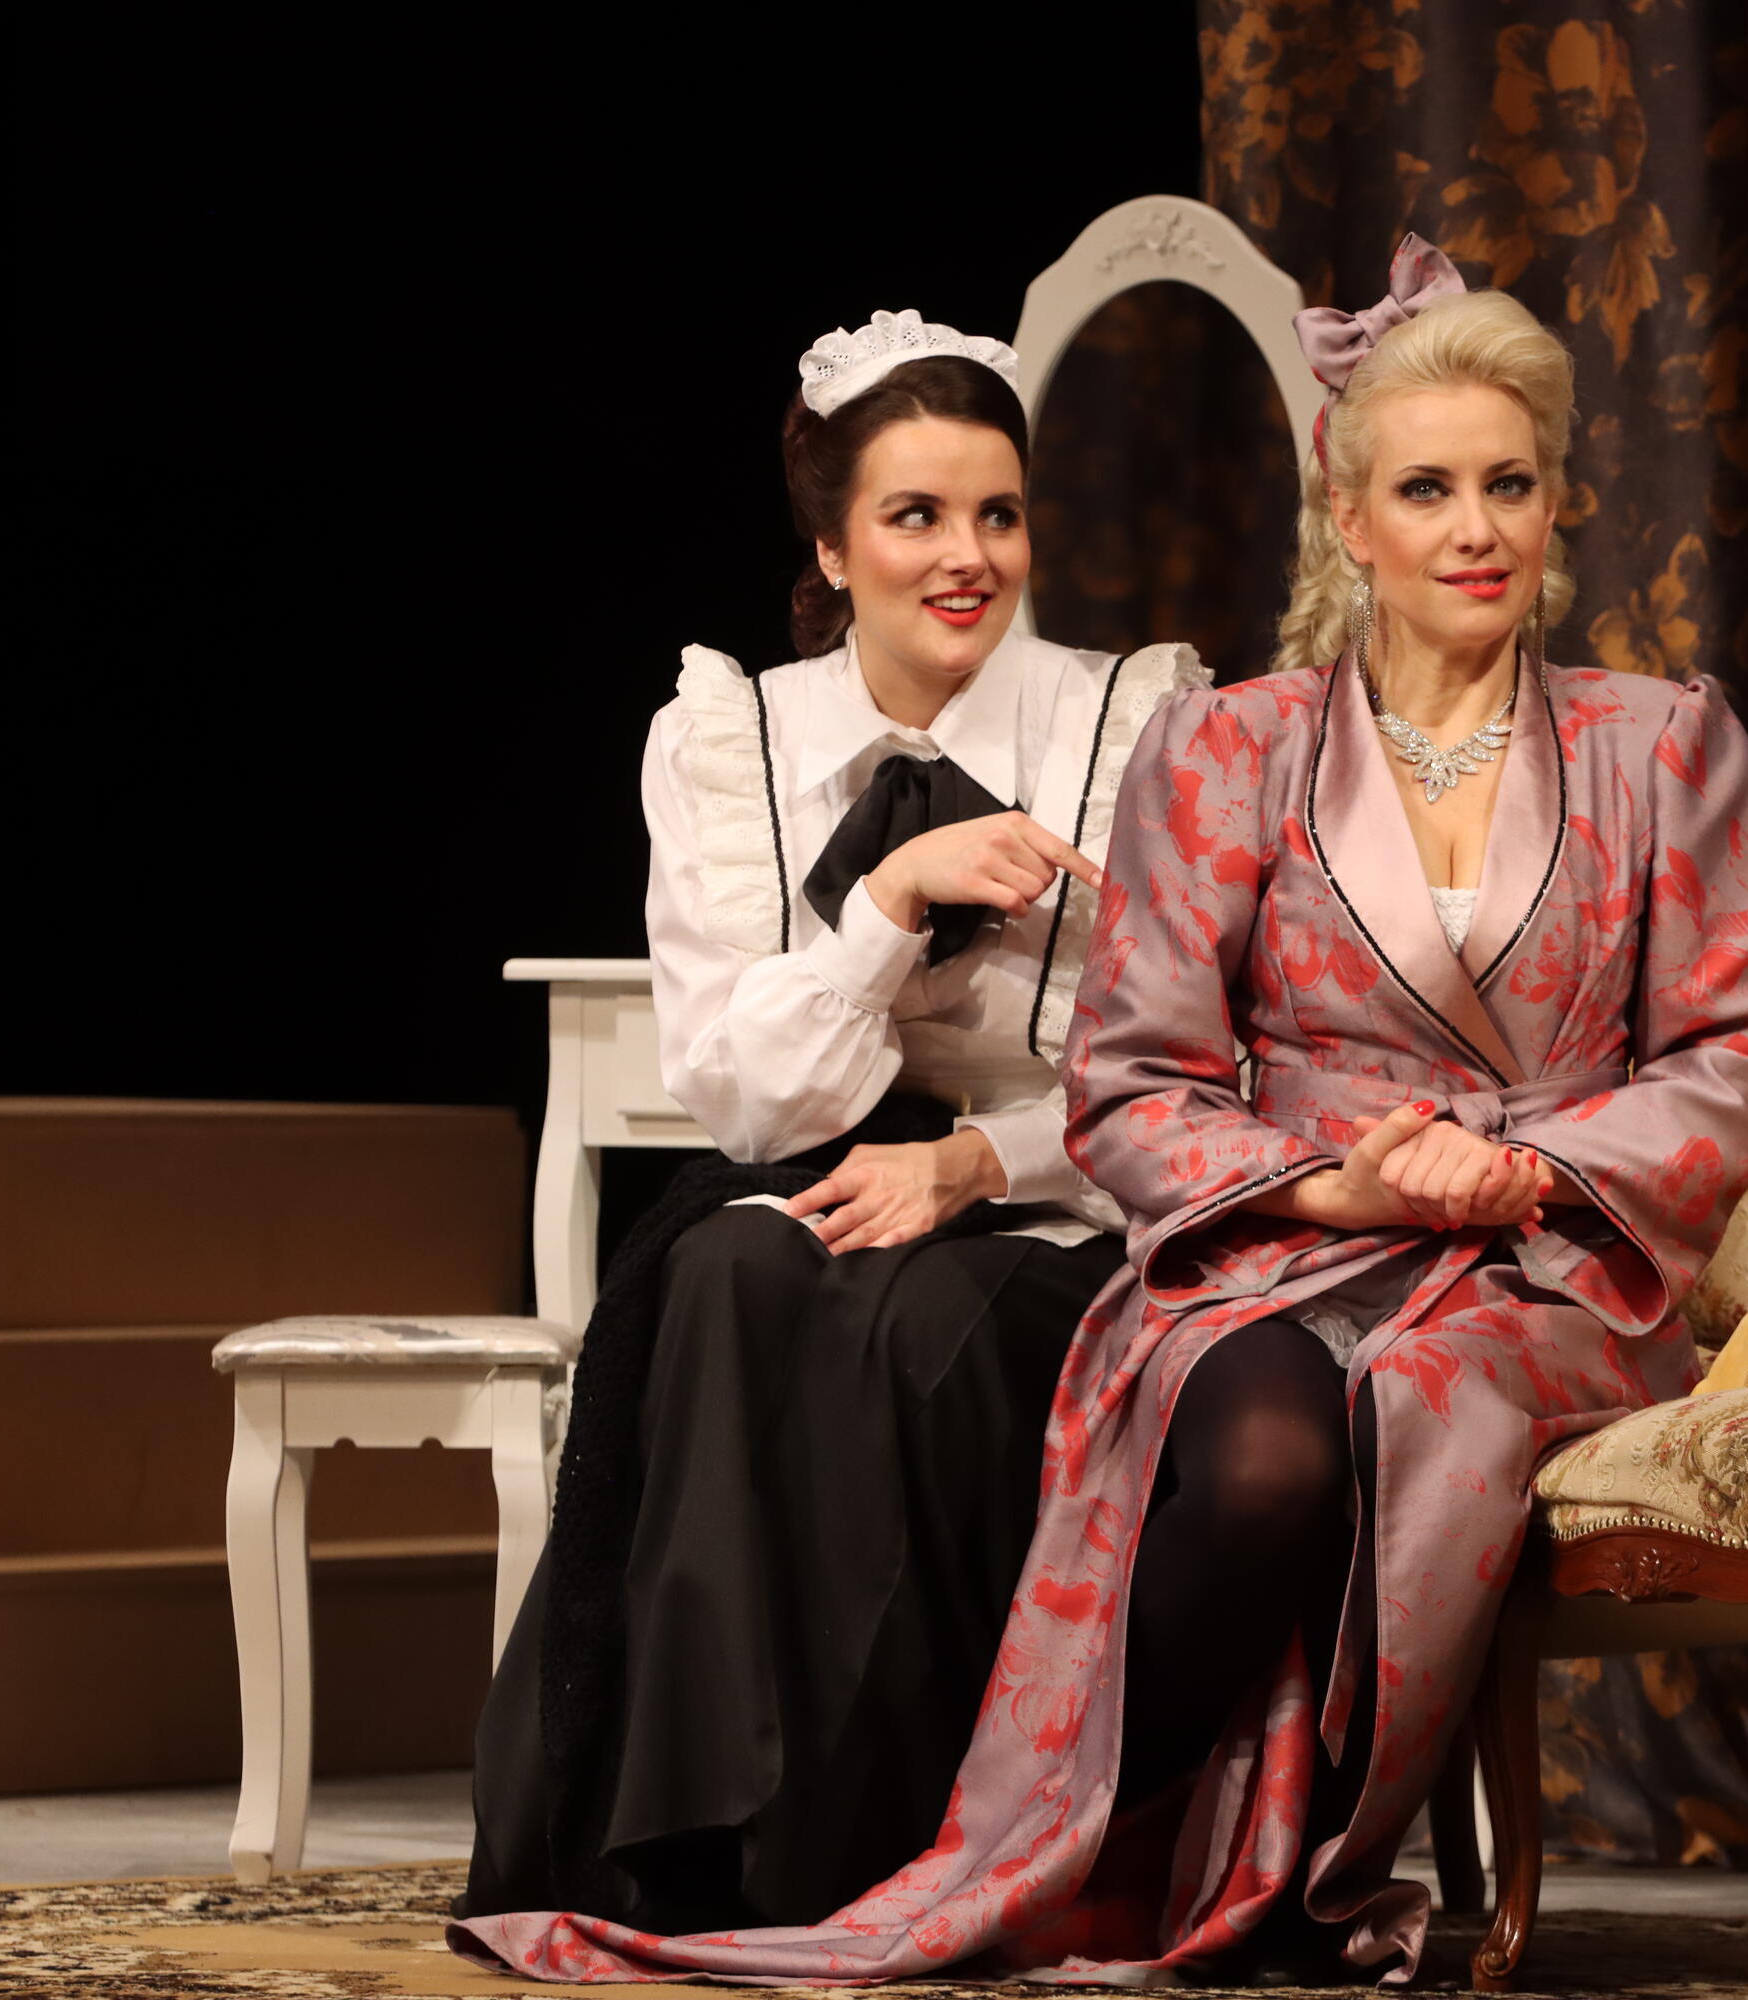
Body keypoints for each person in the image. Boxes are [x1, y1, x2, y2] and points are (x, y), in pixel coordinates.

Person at [453, 243, 1748, 1985]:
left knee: (1411, 1405)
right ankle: (1048, 1854)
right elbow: (1139, 1074)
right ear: (1350, 518)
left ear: (1557, 505)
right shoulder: (1229, 750)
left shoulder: (1662, 745)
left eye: (1509, 485)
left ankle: (1180, 1869)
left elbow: (1739, 1056)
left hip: (1544, 1267)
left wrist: (1518, 1168)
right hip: (1284, 1244)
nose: (1475, 529)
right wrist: (1329, 1191)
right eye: (1427, 489)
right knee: (1254, 1449)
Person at [457, 309, 1204, 1937]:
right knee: (728, 1276)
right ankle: (700, 1847)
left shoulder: (1131, 724)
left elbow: (1184, 1073)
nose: (966, 555)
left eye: (997, 513)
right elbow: (743, 1094)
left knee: (924, 1323)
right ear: (831, 545)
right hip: (818, 1168)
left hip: (1056, 1197)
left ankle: (896, 1852)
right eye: (915, 515)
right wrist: (886, 904)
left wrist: (975, 1163)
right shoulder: (731, 738)